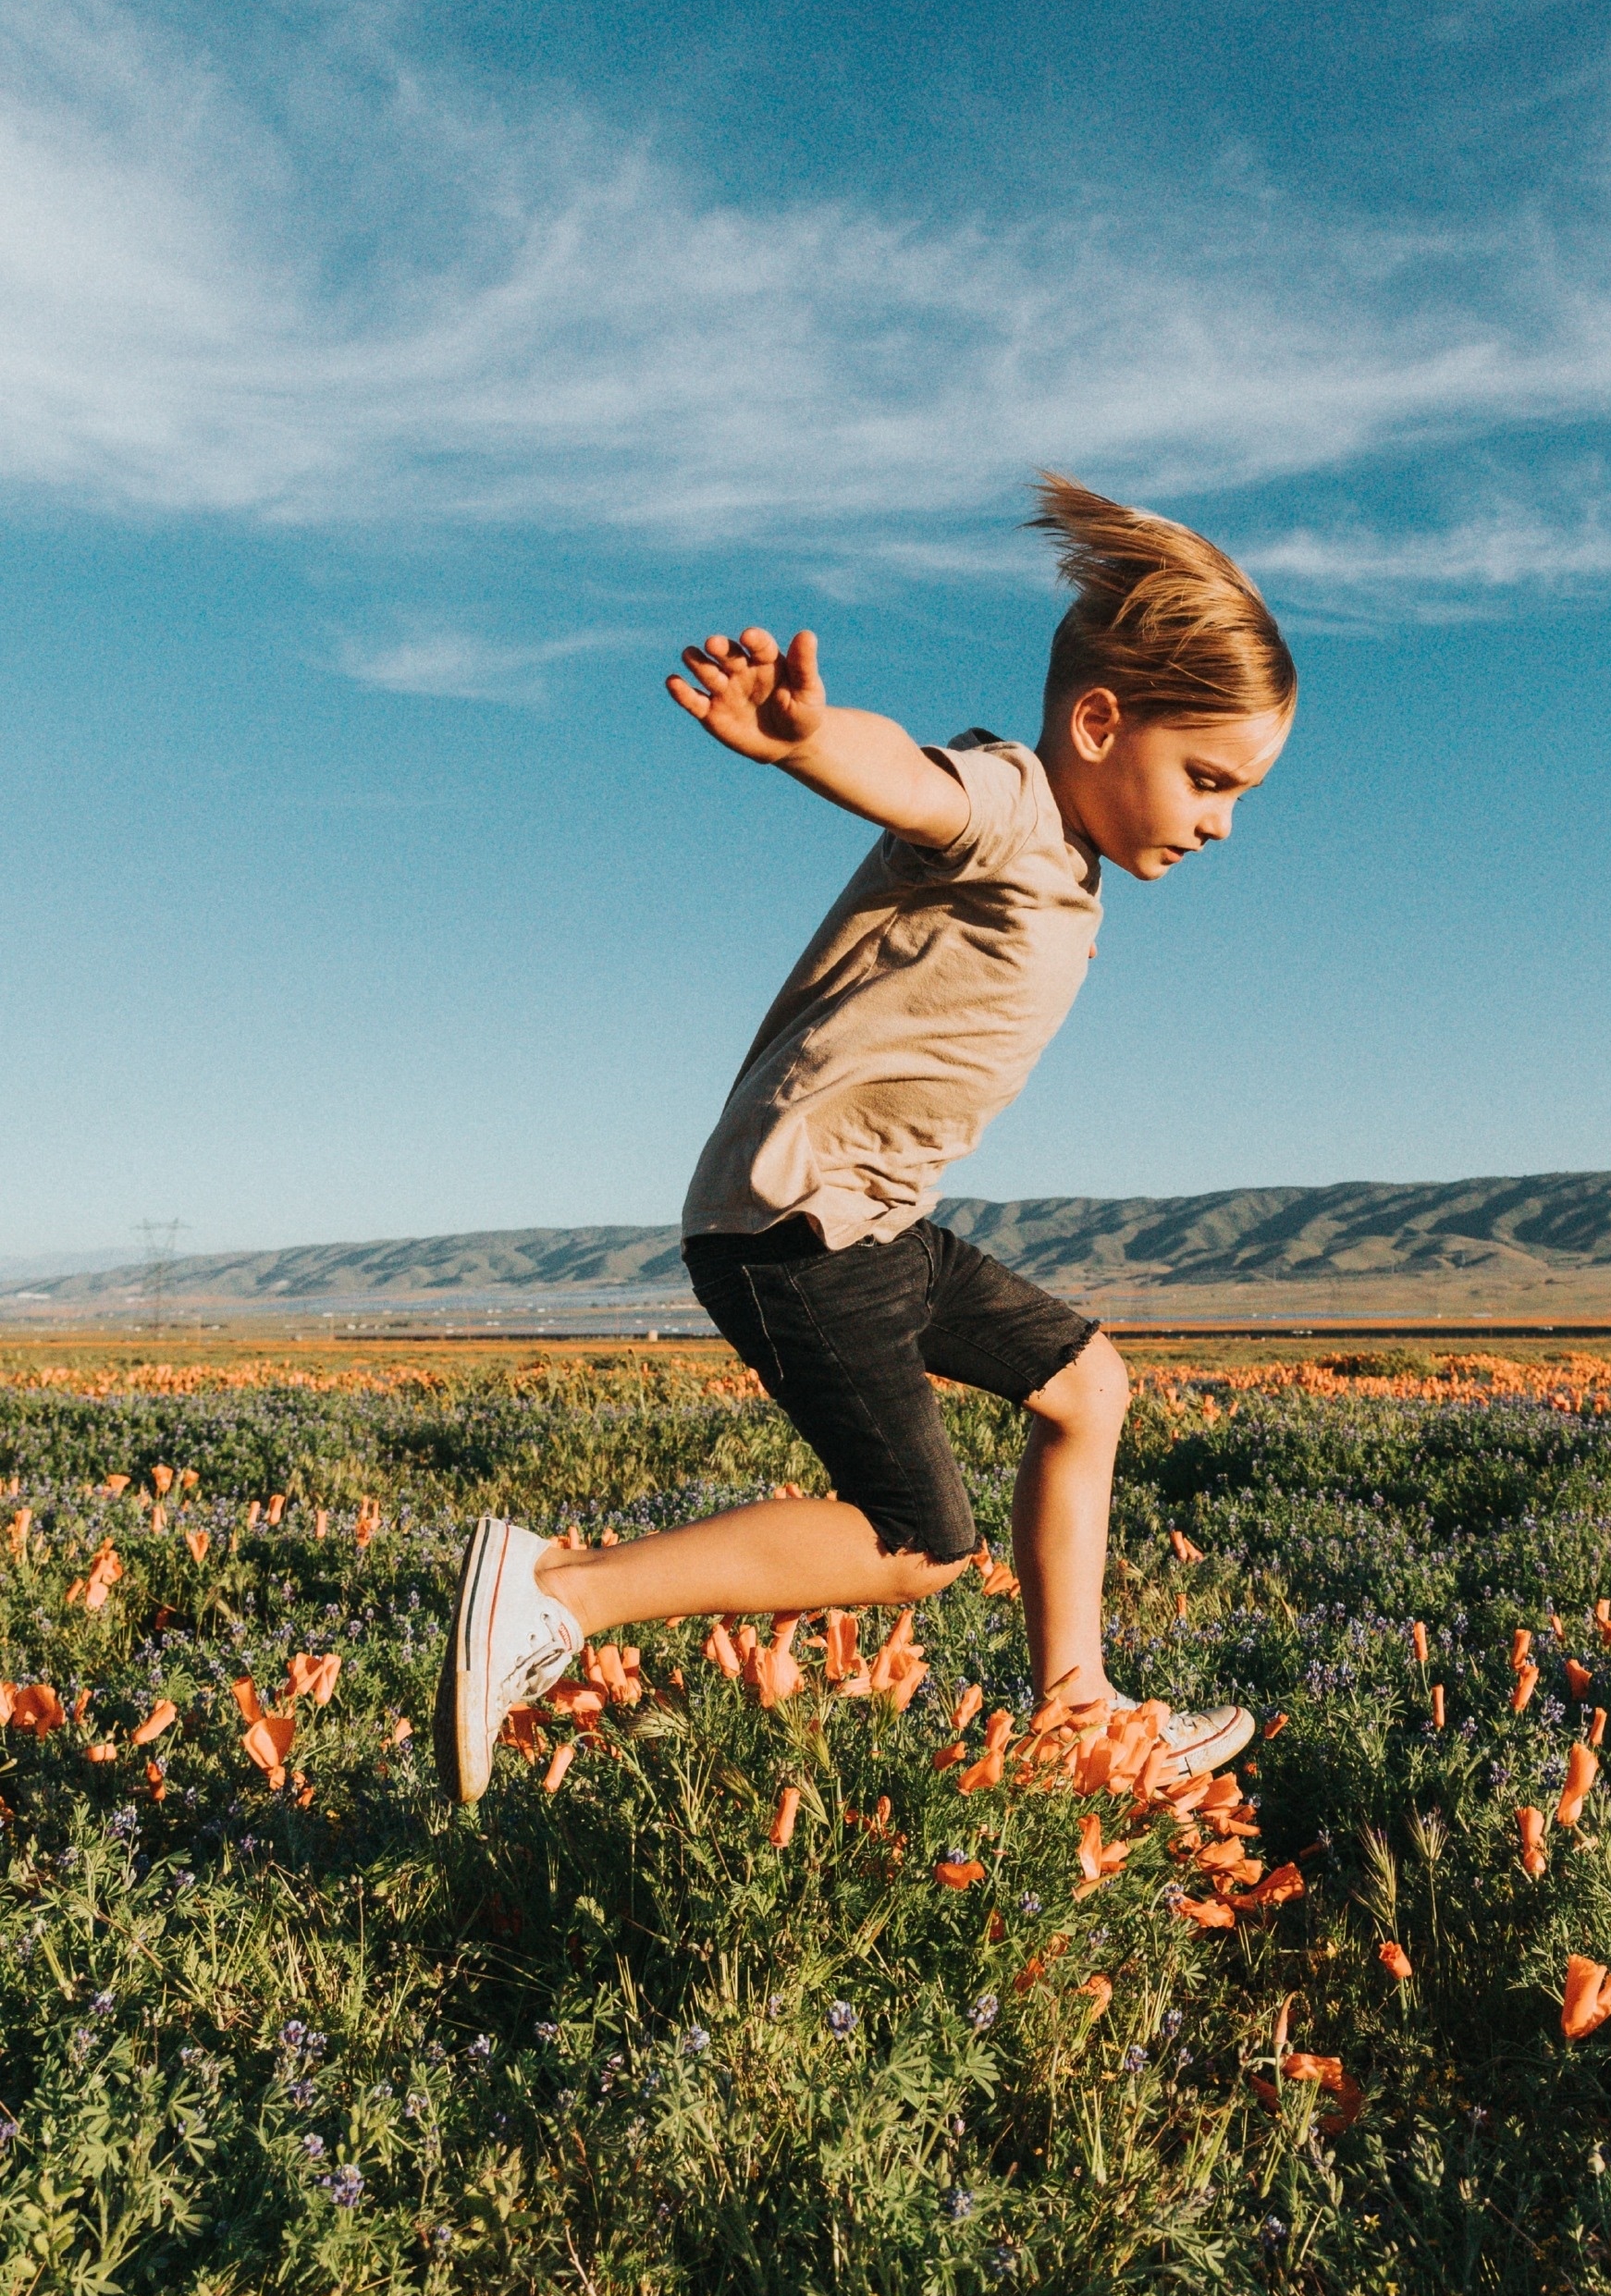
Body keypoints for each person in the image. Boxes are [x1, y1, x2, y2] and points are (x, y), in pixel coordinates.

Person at [433, 474, 1297, 1802]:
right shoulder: (1014, 807)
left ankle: (1073, 1709)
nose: (1222, 820)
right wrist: (810, 742)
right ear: (1100, 721)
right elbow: (914, 781)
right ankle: (556, 1599)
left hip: (870, 1223)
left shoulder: (1066, 867)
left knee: (1086, 1385)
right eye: (1207, 778)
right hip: (798, 1225)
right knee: (916, 1543)